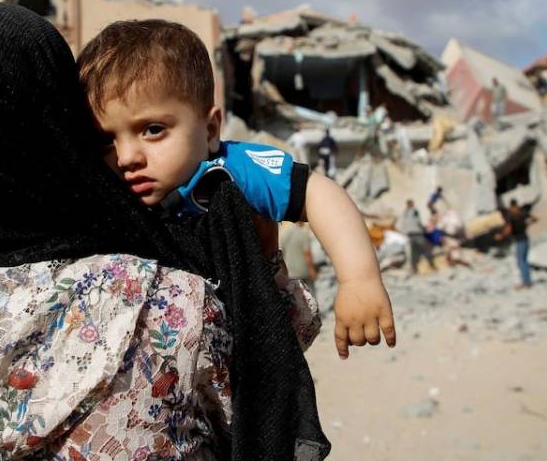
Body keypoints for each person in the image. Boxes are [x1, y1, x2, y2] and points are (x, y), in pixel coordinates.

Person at [0, 3, 332, 460]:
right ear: (54, 124)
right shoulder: (159, 299)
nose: (125, 154)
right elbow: (264, 377)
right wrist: (263, 257)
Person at [78, 19, 395, 359]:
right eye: (105, 140)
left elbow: (318, 193)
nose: (126, 157)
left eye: (153, 130)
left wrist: (358, 278)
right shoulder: (106, 189)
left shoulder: (231, 171)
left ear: (211, 129)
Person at [498, 199, 535, 289]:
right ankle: (528, 281)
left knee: (521, 261)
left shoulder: (511, 216)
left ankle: (526, 282)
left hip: (520, 240)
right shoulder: (522, 213)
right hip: (525, 239)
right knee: (524, 261)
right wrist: (526, 225)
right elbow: (535, 219)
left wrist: (501, 235)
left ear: (511, 206)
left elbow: (508, 229)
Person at [399, 199, 436, 275]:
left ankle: (414, 269)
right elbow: (418, 221)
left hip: (409, 234)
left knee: (413, 252)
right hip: (417, 233)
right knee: (426, 248)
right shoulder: (414, 211)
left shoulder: (405, 212)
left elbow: (403, 224)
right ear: (412, 204)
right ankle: (432, 265)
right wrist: (424, 229)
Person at [279, 221, 317, 292]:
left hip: (290, 272)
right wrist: (312, 270)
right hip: (303, 271)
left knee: (297, 296)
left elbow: (282, 252)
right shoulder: (303, 233)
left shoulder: (284, 233)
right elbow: (307, 253)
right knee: (310, 296)